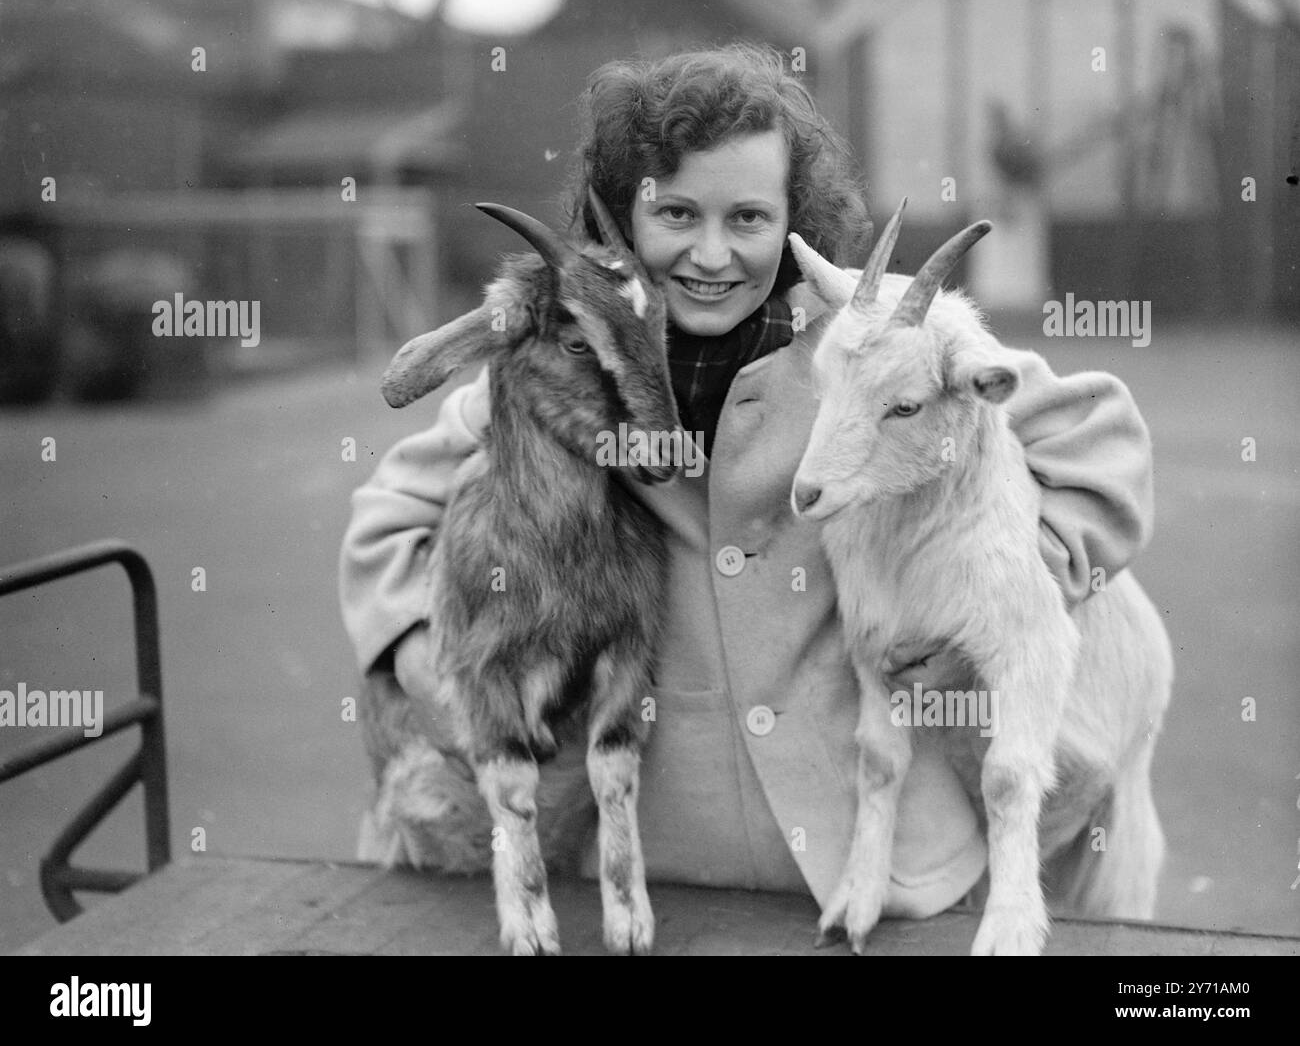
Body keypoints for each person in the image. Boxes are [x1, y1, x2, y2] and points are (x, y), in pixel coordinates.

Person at [338, 45, 1153, 921]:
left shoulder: (866, 345)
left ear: (795, 221)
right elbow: (391, 515)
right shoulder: (567, 373)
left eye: (750, 218)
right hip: (657, 860)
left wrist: (1022, 580)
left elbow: (1096, 436)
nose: (713, 253)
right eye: (677, 212)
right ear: (621, 218)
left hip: (869, 865)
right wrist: (424, 649)